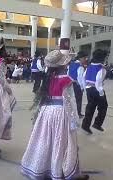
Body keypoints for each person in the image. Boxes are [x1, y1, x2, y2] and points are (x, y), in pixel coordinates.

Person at [21, 50, 89, 180]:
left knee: (47, 140)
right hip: (60, 112)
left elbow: (42, 98)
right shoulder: (66, 79)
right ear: (63, 65)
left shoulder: (47, 79)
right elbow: (69, 101)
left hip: (47, 111)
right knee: (63, 141)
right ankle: (64, 171)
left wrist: (39, 114)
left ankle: (44, 167)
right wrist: (74, 119)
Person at [81, 49, 108, 134]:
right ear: (102, 58)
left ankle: (85, 125)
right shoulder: (101, 68)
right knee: (103, 107)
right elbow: (98, 82)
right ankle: (97, 124)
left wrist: (86, 87)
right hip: (96, 90)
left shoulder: (89, 66)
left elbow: (83, 77)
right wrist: (101, 93)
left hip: (89, 89)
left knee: (90, 107)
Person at [68, 51, 87, 118]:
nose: (85, 59)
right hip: (77, 84)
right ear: (81, 58)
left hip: (70, 84)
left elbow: (68, 73)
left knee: (71, 99)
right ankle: (78, 113)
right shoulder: (80, 66)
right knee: (78, 99)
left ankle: (71, 112)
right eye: (84, 58)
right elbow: (80, 78)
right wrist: (82, 87)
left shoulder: (71, 64)